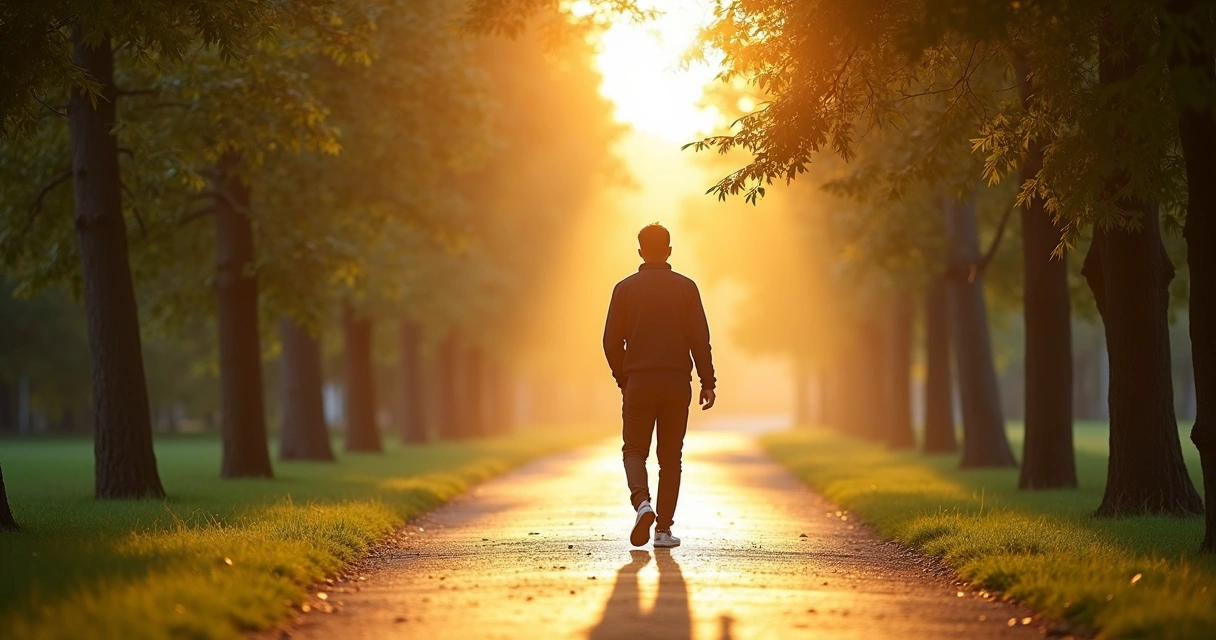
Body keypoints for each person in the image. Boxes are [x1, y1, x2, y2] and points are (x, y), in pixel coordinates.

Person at [602, 223, 716, 548]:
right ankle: (663, 530)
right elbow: (699, 339)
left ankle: (642, 504)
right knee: (670, 458)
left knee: (634, 450)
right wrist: (707, 382)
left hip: (638, 381)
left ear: (640, 251)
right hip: (677, 383)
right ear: (669, 250)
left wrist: (623, 377)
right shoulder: (686, 288)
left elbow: (610, 342)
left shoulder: (624, 289)